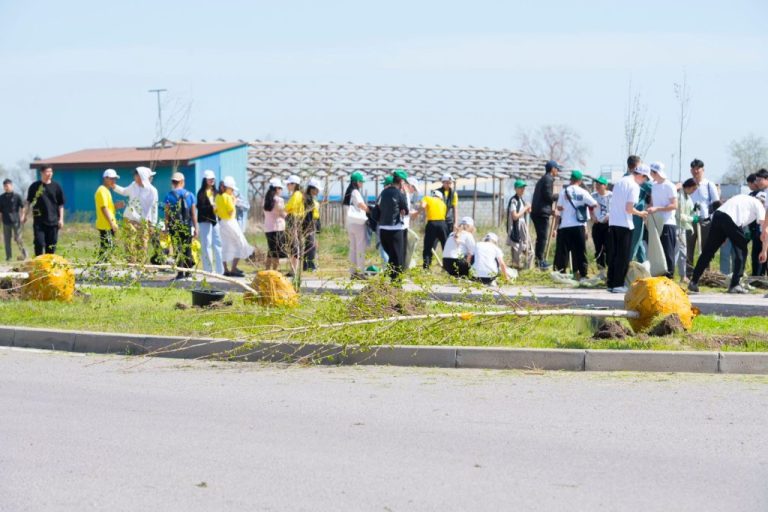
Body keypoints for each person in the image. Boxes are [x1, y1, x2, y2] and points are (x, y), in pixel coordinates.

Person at [688, 194, 766, 294]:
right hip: (730, 219)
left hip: (718, 215)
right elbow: (765, 231)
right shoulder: (759, 205)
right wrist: (764, 250)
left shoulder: (743, 197)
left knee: (708, 251)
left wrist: (723, 235)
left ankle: (693, 281)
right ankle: (735, 284)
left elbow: (728, 215)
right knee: (742, 250)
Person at [606, 165, 650, 293]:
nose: (644, 181)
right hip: (625, 224)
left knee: (614, 254)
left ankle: (611, 283)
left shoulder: (620, 182)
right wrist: (641, 213)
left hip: (613, 222)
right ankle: (618, 284)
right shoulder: (634, 186)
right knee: (623, 256)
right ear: (641, 175)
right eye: (645, 178)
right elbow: (629, 208)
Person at [554, 170, 597, 280]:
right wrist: (583, 206)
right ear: (580, 180)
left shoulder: (564, 192)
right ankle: (582, 274)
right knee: (580, 251)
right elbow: (594, 203)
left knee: (563, 252)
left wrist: (565, 208)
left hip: (565, 226)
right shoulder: (583, 192)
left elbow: (559, 208)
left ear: (571, 179)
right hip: (578, 225)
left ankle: (561, 273)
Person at [113, 166, 159, 263]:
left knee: (142, 244)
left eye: (136, 175)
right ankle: (131, 264)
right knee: (129, 242)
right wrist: (114, 186)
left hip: (143, 221)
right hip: (129, 219)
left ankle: (140, 265)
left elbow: (154, 208)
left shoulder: (152, 191)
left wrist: (153, 224)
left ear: (142, 176)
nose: (134, 176)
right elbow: (124, 191)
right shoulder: (133, 185)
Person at [686, 158, 720, 278]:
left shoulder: (709, 184)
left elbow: (716, 203)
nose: (696, 171)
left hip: (705, 221)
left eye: (698, 169)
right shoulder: (688, 184)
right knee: (689, 248)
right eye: (693, 169)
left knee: (706, 248)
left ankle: (706, 273)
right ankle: (689, 273)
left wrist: (715, 220)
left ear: (702, 170)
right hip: (690, 220)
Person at [22, 166, 65, 256]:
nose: (49, 174)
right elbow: (28, 202)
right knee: (39, 243)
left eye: (51, 171)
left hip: (53, 221)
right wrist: (24, 215)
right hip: (39, 221)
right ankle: (38, 262)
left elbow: (61, 204)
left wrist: (61, 219)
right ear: (41, 173)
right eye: (47, 171)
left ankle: (48, 263)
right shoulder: (35, 186)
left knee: (51, 246)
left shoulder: (56, 186)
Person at [216, 176, 254, 277]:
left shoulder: (218, 196)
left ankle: (225, 269)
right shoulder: (227, 197)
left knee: (225, 245)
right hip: (231, 222)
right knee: (240, 243)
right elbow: (230, 211)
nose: (233, 191)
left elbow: (216, 210)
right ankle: (233, 269)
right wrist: (234, 202)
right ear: (227, 188)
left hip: (222, 223)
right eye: (232, 189)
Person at [163, 172, 198, 280]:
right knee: (187, 248)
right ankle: (188, 272)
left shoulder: (169, 196)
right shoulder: (190, 195)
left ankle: (180, 273)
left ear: (173, 182)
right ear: (182, 182)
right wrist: (196, 228)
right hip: (187, 226)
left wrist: (166, 228)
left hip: (174, 227)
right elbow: (193, 214)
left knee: (177, 249)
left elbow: (167, 214)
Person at [646, 162, 678, 279]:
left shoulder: (669, 186)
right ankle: (659, 274)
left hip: (667, 222)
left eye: (652, 172)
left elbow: (674, 205)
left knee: (668, 251)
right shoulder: (654, 186)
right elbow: (652, 203)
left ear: (655, 173)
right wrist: (649, 209)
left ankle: (669, 276)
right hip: (656, 222)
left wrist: (657, 209)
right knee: (658, 251)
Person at [376, 170, 409, 280]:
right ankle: (396, 282)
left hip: (383, 229)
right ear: (401, 181)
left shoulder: (383, 193)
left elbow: (376, 210)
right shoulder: (399, 193)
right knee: (398, 257)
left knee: (391, 256)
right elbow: (406, 210)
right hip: (395, 229)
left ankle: (388, 279)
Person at [531, 160, 561, 268]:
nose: (557, 171)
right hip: (541, 214)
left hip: (538, 212)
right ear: (552, 169)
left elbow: (542, 199)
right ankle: (540, 261)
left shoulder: (542, 180)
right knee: (543, 237)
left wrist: (550, 211)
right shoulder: (548, 179)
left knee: (540, 237)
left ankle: (538, 261)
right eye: (557, 169)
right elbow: (548, 196)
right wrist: (558, 196)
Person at [196, 170, 224, 275]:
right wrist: (211, 207)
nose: (212, 180)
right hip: (204, 220)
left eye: (213, 179)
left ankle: (220, 270)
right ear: (205, 180)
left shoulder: (216, 192)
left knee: (218, 243)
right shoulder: (201, 193)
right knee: (206, 244)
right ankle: (208, 270)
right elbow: (200, 207)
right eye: (209, 179)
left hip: (215, 220)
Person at [343, 171, 369, 279]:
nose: (362, 184)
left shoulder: (348, 192)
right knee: (360, 248)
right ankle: (361, 272)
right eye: (361, 182)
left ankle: (353, 272)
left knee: (353, 248)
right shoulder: (355, 191)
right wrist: (370, 211)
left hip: (350, 223)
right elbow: (360, 204)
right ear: (357, 182)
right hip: (358, 223)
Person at [94, 169, 124, 261]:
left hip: (107, 224)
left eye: (115, 179)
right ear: (105, 178)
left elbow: (107, 208)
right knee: (108, 247)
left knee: (107, 247)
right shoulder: (102, 190)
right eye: (111, 179)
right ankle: (100, 266)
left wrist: (115, 206)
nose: (113, 181)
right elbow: (104, 208)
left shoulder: (106, 190)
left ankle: (101, 266)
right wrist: (112, 224)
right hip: (106, 225)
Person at [627, 156, 651, 263]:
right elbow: (655, 188)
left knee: (638, 242)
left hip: (625, 216)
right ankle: (628, 267)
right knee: (634, 243)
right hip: (637, 215)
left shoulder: (624, 178)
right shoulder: (641, 179)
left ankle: (643, 265)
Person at [675, 178, 698, 283]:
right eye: (693, 189)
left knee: (683, 252)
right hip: (677, 227)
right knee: (677, 252)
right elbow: (679, 215)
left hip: (683, 228)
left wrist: (695, 211)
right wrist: (692, 219)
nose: (693, 191)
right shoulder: (679, 196)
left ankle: (683, 275)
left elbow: (691, 211)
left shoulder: (688, 197)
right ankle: (671, 274)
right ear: (688, 187)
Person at [506, 179, 533, 269]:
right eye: (520, 188)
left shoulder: (521, 200)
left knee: (529, 250)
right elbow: (515, 216)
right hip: (516, 228)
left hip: (522, 228)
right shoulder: (514, 200)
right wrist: (525, 208)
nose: (522, 189)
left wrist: (528, 209)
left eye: (523, 188)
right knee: (516, 250)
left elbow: (526, 212)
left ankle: (527, 269)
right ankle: (516, 269)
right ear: (516, 189)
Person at [263, 177, 287, 271]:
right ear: (277, 189)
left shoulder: (266, 200)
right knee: (276, 252)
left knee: (271, 250)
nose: (281, 190)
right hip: (278, 228)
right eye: (280, 188)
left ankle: (267, 269)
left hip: (268, 228)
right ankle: (274, 271)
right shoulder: (279, 200)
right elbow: (282, 213)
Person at [0, 179, 27, 261]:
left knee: (18, 239)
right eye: (5, 186)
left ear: (11, 186)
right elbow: (0, 211)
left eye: (7, 186)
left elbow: (23, 207)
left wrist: (23, 216)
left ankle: (24, 255)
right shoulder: (1, 197)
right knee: (7, 240)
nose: (6, 187)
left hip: (16, 221)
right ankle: (9, 257)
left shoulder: (17, 196)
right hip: (6, 221)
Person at [421, 189, 449, 269]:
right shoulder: (443, 204)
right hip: (443, 224)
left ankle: (426, 267)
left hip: (432, 224)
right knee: (446, 246)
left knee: (428, 246)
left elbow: (423, 206)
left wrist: (416, 213)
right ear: (440, 197)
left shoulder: (427, 198)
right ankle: (447, 267)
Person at [747, 169, 768, 276]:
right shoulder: (761, 193)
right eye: (756, 180)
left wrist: (764, 228)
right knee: (756, 254)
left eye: (760, 180)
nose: (757, 182)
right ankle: (757, 277)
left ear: (767, 179)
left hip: (765, 229)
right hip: (760, 228)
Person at [284, 175, 304, 274]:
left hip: (293, 219)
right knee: (293, 244)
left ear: (294, 184)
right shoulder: (298, 194)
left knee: (294, 244)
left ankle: (294, 269)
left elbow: (289, 207)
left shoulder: (296, 194)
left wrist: (284, 208)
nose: (287, 186)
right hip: (295, 219)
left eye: (288, 184)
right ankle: (293, 269)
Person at [590, 176, 611, 269]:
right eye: (596, 184)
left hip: (608, 225)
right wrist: (592, 216)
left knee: (609, 247)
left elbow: (616, 208)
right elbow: (589, 207)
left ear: (605, 185)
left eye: (600, 184)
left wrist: (609, 217)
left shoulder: (611, 195)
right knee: (598, 248)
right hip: (597, 224)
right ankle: (601, 269)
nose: (597, 186)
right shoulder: (593, 195)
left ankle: (610, 268)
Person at [302, 178, 321, 272]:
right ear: (312, 189)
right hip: (309, 225)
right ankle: (311, 266)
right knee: (311, 246)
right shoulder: (307, 199)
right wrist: (309, 227)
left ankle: (305, 266)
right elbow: (308, 215)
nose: (318, 192)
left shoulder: (311, 198)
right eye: (317, 189)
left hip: (312, 224)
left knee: (308, 245)